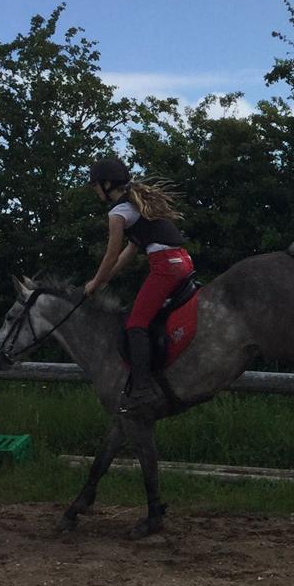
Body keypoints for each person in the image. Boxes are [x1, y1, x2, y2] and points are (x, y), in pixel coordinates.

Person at [85, 157, 194, 411]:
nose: (94, 190)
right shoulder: (137, 206)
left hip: (165, 266)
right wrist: (104, 279)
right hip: (184, 262)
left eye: (95, 185)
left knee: (136, 323)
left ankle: (142, 390)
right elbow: (129, 252)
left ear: (107, 183)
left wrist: (94, 284)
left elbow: (111, 254)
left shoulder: (117, 213)